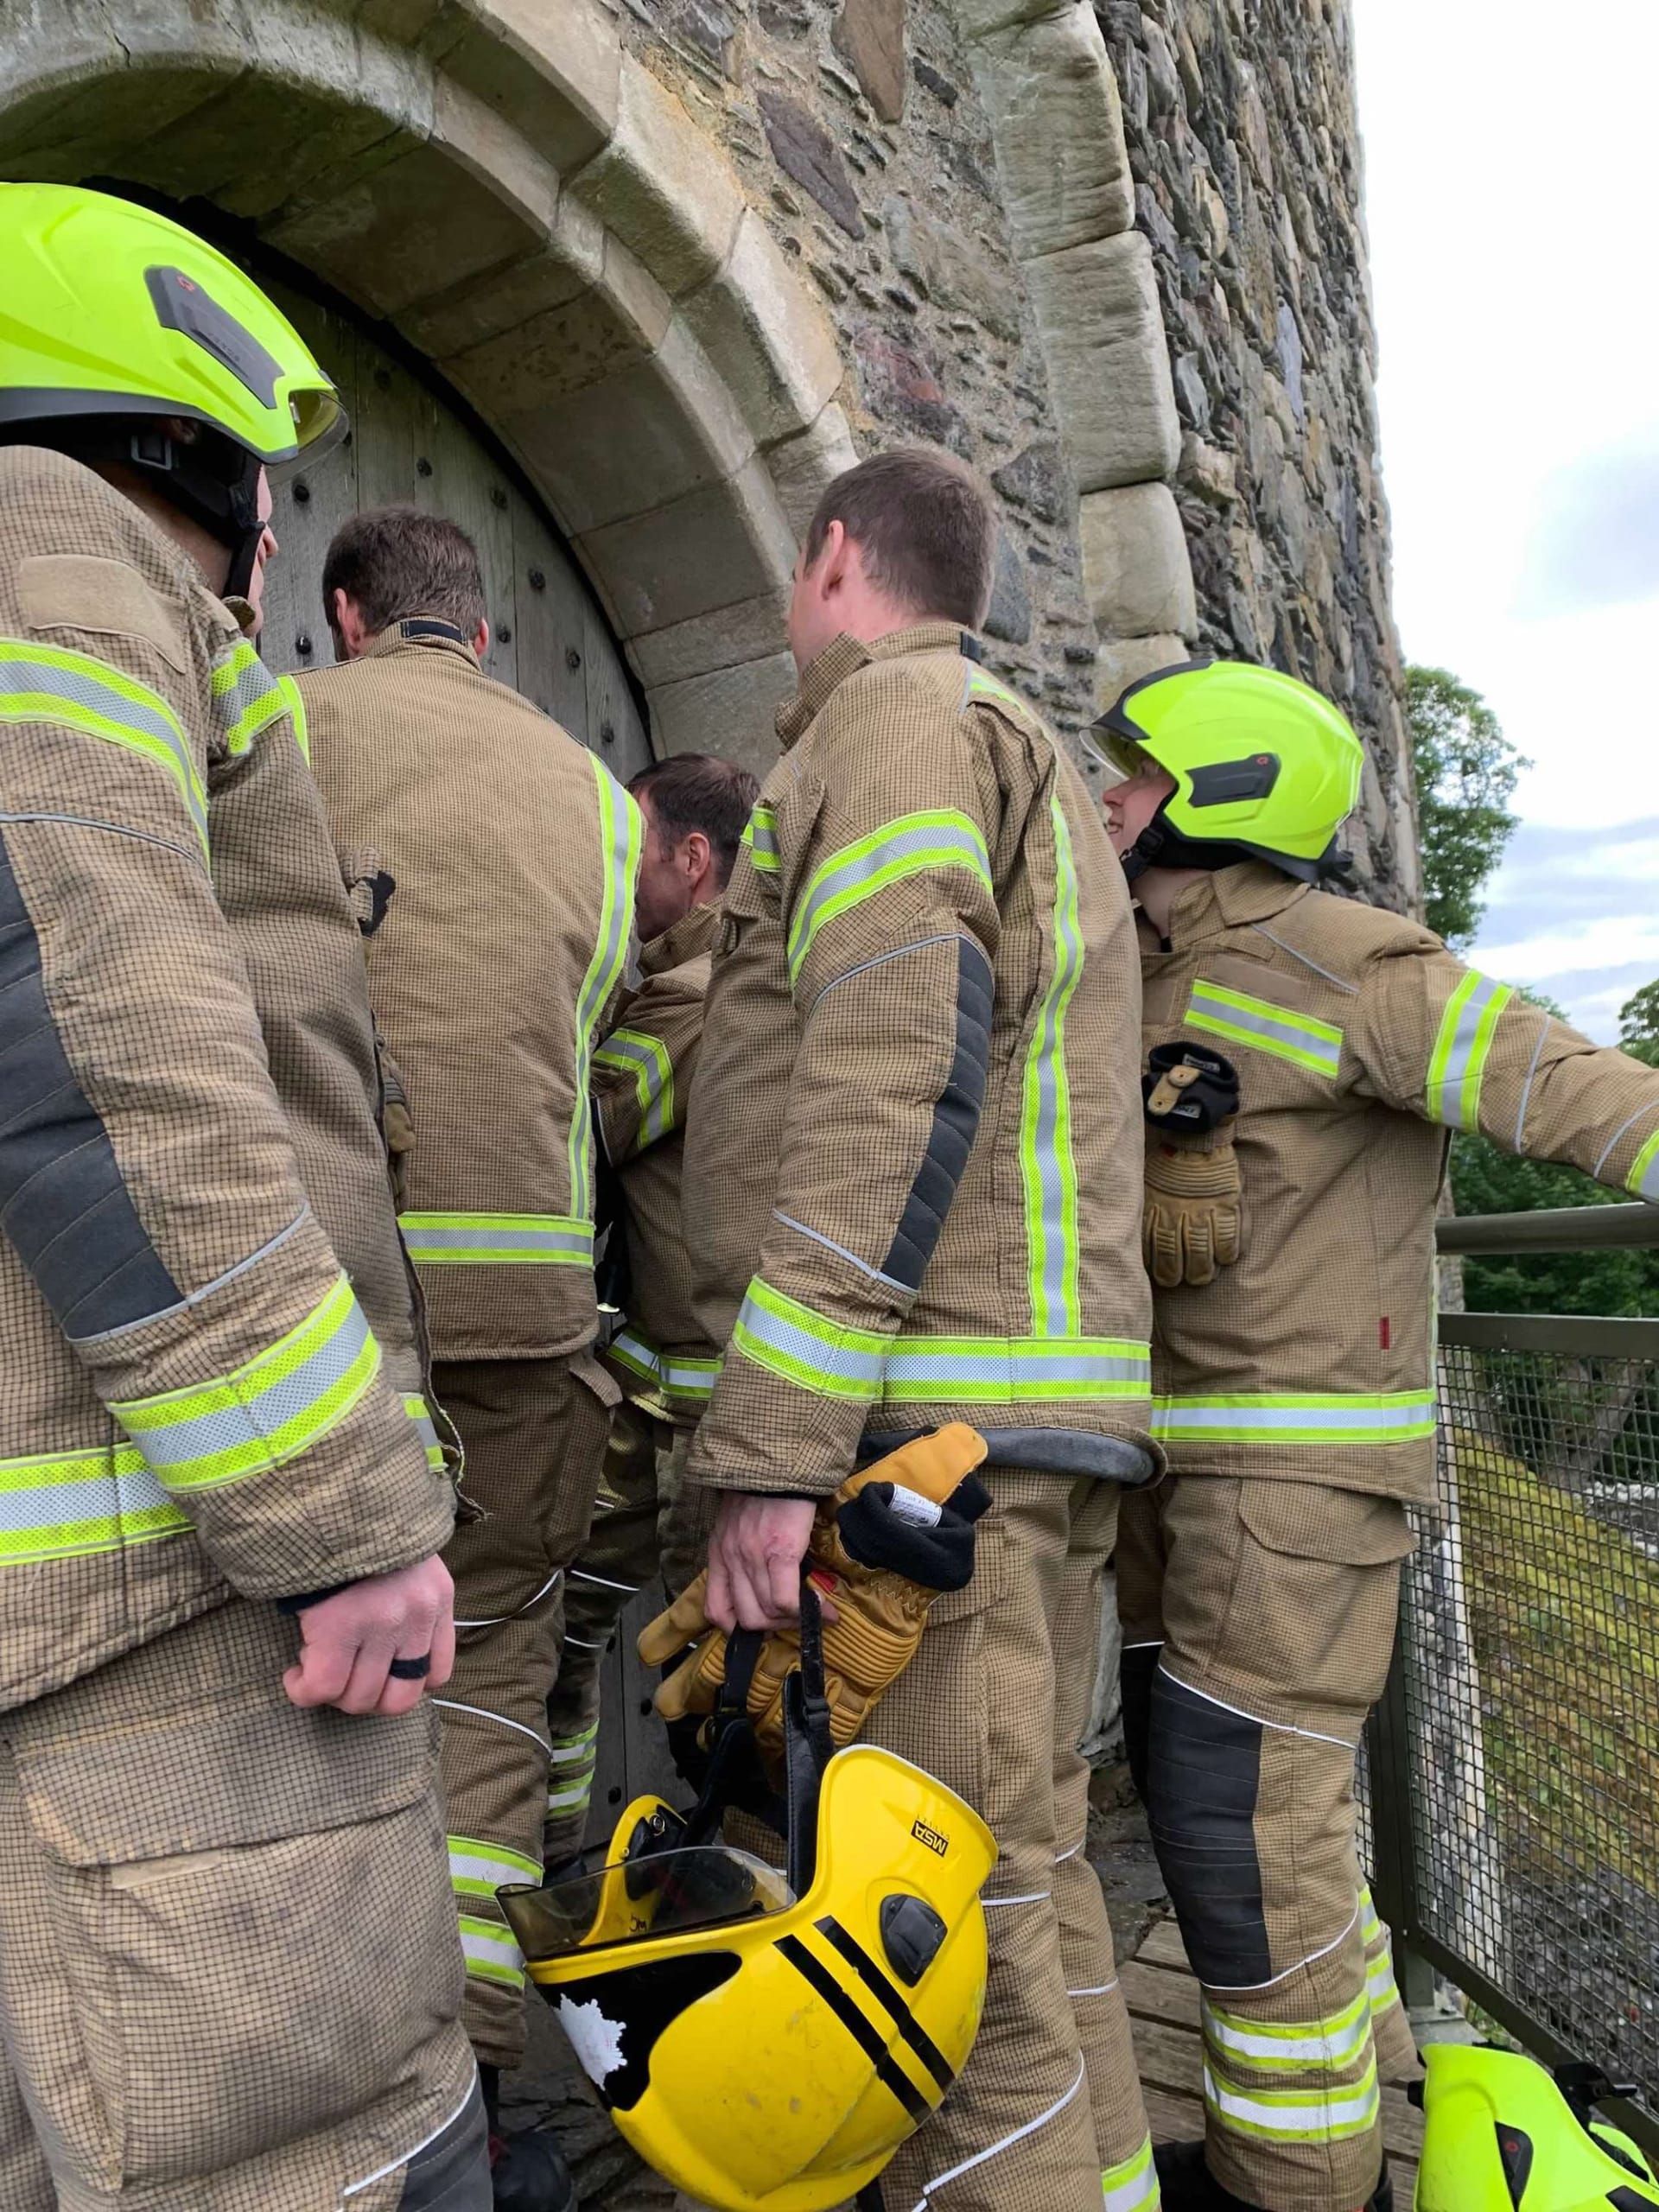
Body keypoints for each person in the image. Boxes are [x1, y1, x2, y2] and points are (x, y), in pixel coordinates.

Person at [0, 184, 487, 2209]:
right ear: (172, 425)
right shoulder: (50, 551)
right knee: (327, 2154)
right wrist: (342, 1515)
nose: (274, 544)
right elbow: (98, 1047)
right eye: (259, 481)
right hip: (152, 1629)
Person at [1096, 656, 1659, 2212]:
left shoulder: (1355, 966)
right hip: (1171, 1480)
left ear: (1218, 793)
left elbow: (1577, 1091)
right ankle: (1306, 2129)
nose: (1108, 797)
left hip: (1295, 1496)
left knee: (1248, 1838)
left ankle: (1302, 2186)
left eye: (1134, 774)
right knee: (1224, 1822)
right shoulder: (1132, 969)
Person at [681, 447, 1164, 2212]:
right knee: (1025, 1886)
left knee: (943, 1951)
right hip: (1012, 1430)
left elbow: (894, 1064)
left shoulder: (893, 724)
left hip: (927, 1450)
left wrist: (771, 1449)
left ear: (831, 559)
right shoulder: (1003, 739)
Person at [302, 509, 639, 2209]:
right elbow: (617, 1053)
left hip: (319, 1328)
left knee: (283, 1708)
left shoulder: (274, 725)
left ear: (343, 614)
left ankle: (316, 2114)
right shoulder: (598, 798)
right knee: (490, 1708)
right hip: (529, 1336)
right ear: (485, 632)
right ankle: (480, 2119)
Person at [543, 751, 757, 1866]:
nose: (616, 874)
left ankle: (693, 1888)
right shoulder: (755, 975)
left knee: (709, 1682)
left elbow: (578, 1132)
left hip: (695, 1422)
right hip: (692, 1400)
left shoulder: (690, 997)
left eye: (633, 850)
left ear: (694, 858)